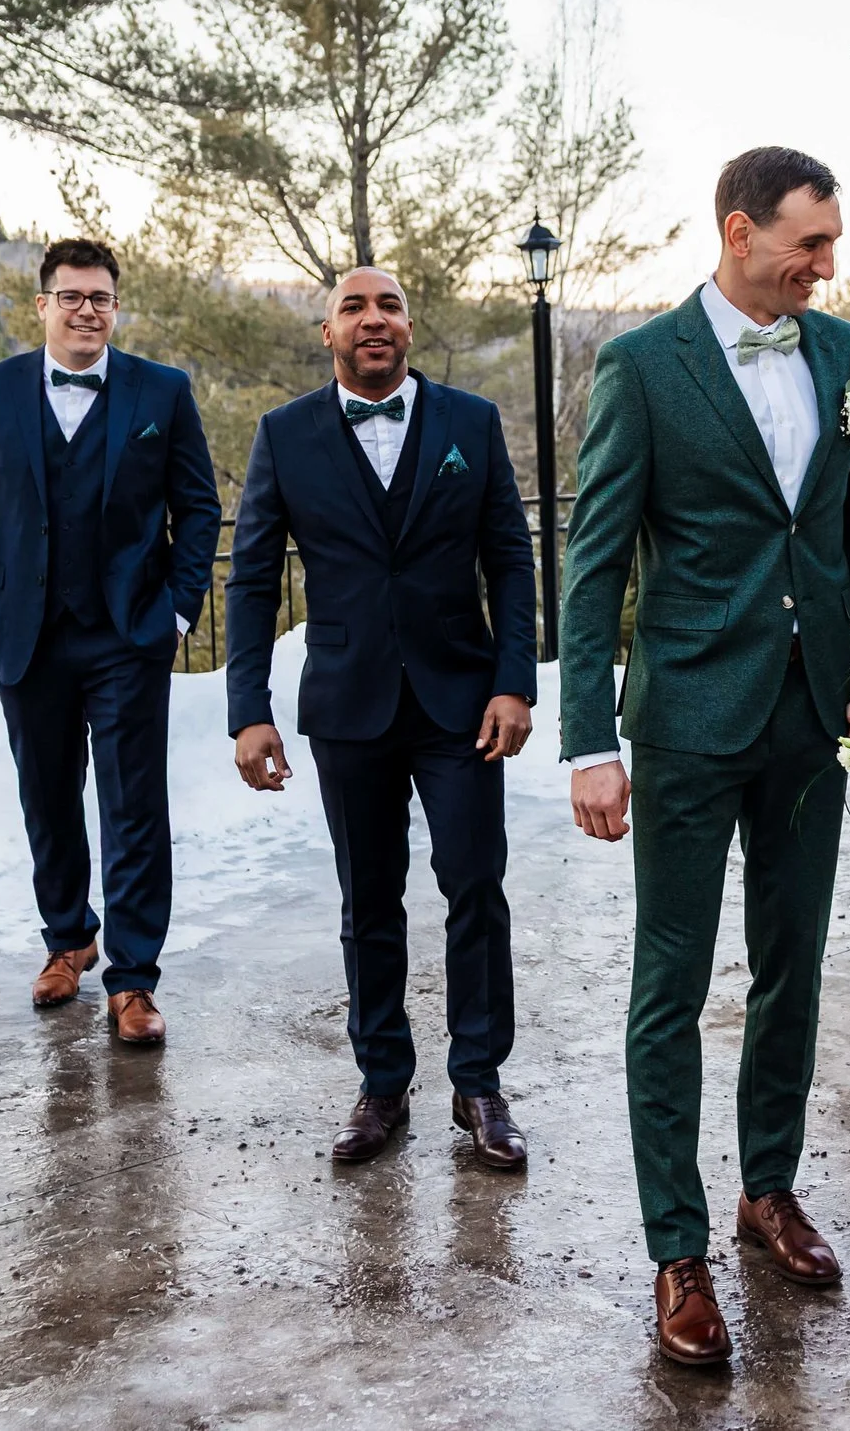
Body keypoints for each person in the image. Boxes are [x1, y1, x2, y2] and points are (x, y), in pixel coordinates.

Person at [558, 147, 850, 1367]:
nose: (827, 266)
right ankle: (677, 1248)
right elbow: (594, 563)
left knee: (792, 965)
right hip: (687, 718)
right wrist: (588, 741)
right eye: (810, 243)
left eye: (832, 242)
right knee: (670, 983)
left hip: (811, 715)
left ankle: (769, 1190)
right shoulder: (642, 365)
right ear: (739, 231)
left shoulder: (843, 352)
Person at [224, 267, 539, 1166]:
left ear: (409, 325)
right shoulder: (285, 433)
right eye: (354, 307)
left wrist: (513, 681)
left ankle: (478, 1081)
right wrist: (249, 710)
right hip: (347, 701)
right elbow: (251, 580)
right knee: (368, 898)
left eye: (390, 305)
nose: (374, 319)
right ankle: (381, 1082)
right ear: (327, 332)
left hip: (461, 701)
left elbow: (510, 560)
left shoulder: (470, 422)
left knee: (474, 884)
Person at [0, 238, 222, 1046]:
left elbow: (198, 508)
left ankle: (134, 978)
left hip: (130, 635)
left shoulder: (163, 390)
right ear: (43, 305)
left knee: (134, 806)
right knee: (48, 796)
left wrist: (177, 612)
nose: (87, 310)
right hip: (29, 635)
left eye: (100, 298)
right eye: (72, 296)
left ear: (115, 308)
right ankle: (68, 938)